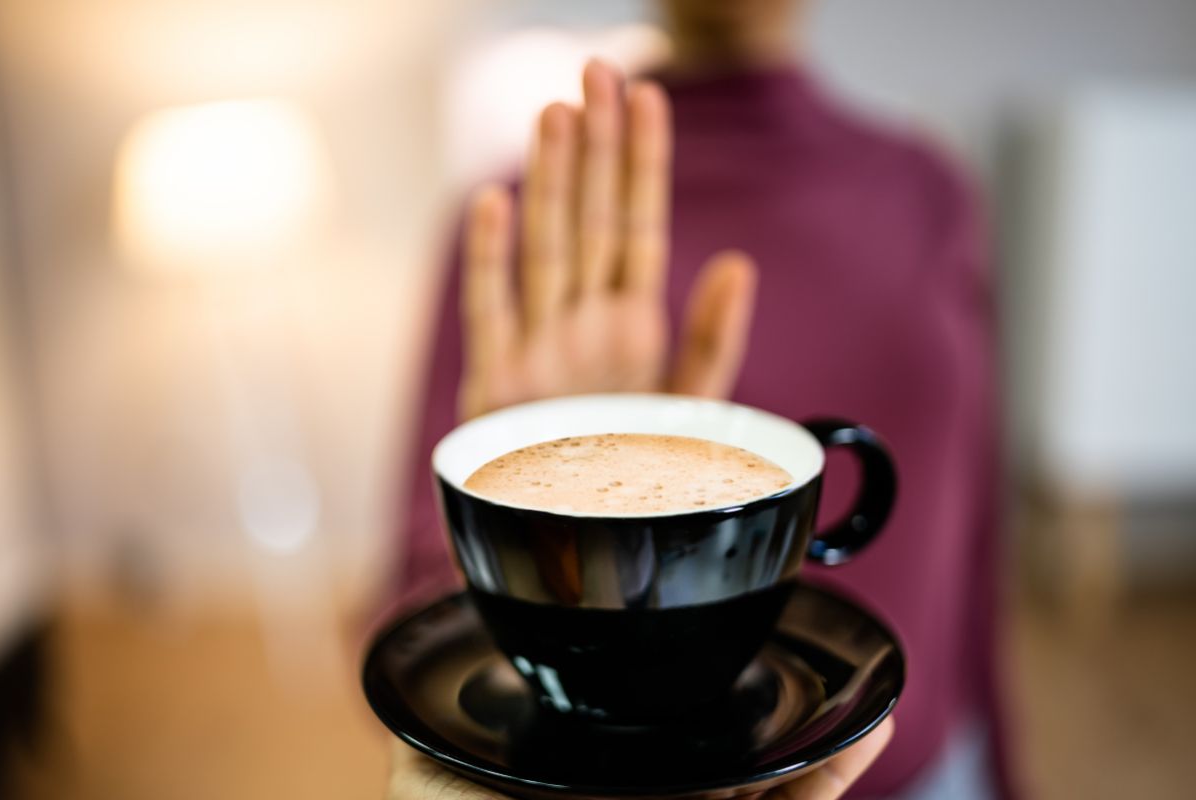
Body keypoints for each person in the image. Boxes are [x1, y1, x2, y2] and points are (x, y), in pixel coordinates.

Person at [384, 1, 1013, 798]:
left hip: (931, 773)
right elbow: (405, 601)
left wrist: (1006, 771)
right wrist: (547, 533)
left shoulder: (932, 193)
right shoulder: (525, 214)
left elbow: (980, 536)